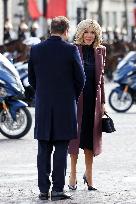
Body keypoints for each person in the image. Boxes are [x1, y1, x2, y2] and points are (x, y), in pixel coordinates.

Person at [28, 16, 85, 201]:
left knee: (43, 149)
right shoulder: (71, 50)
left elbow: (31, 78)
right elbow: (81, 79)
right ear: (66, 31)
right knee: (61, 149)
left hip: (43, 106)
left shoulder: (36, 50)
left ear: (51, 29)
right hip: (65, 106)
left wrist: (42, 94)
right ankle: (58, 190)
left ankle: (43, 190)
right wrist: (71, 97)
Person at [68, 19, 106, 191]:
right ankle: (73, 174)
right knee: (75, 139)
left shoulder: (101, 51)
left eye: (93, 32)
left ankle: (89, 176)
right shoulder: (73, 50)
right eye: (86, 32)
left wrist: (103, 103)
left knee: (90, 139)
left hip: (94, 103)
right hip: (76, 101)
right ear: (81, 33)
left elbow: (102, 80)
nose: (89, 35)